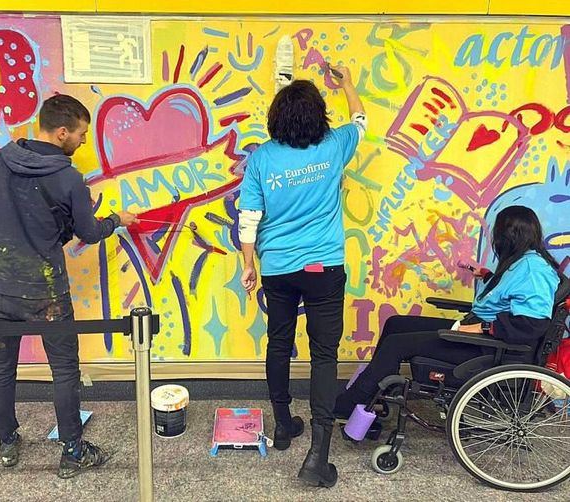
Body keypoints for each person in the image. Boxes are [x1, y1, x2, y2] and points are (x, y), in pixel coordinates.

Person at [0, 94, 138, 479]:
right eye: (82, 135)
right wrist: (117, 219)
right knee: (65, 370)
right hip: (47, 293)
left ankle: (7, 443)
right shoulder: (68, 178)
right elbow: (86, 231)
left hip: (0, 289)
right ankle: (72, 452)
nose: (84, 142)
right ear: (62, 132)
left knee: (2, 368)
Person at [238, 68, 366, 488]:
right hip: (324, 268)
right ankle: (319, 454)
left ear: (276, 119)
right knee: (324, 356)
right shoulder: (334, 145)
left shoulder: (261, 158)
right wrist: (346, 82)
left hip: (277, 268)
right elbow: (361, 121)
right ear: (319, 118)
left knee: (278, 341)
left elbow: (249, 218)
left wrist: (247, 264)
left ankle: (282, 426)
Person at [334, 205, 562, 422]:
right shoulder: (524, 262)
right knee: (395, 324)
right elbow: (513, 296)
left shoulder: (533, 269)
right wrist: (489, 277)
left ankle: (348, 405)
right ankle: (375, 392)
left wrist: (480, 328)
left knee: (396, 344)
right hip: (480, 335)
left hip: (489, 347)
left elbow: (531, 323)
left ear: (509, 236)